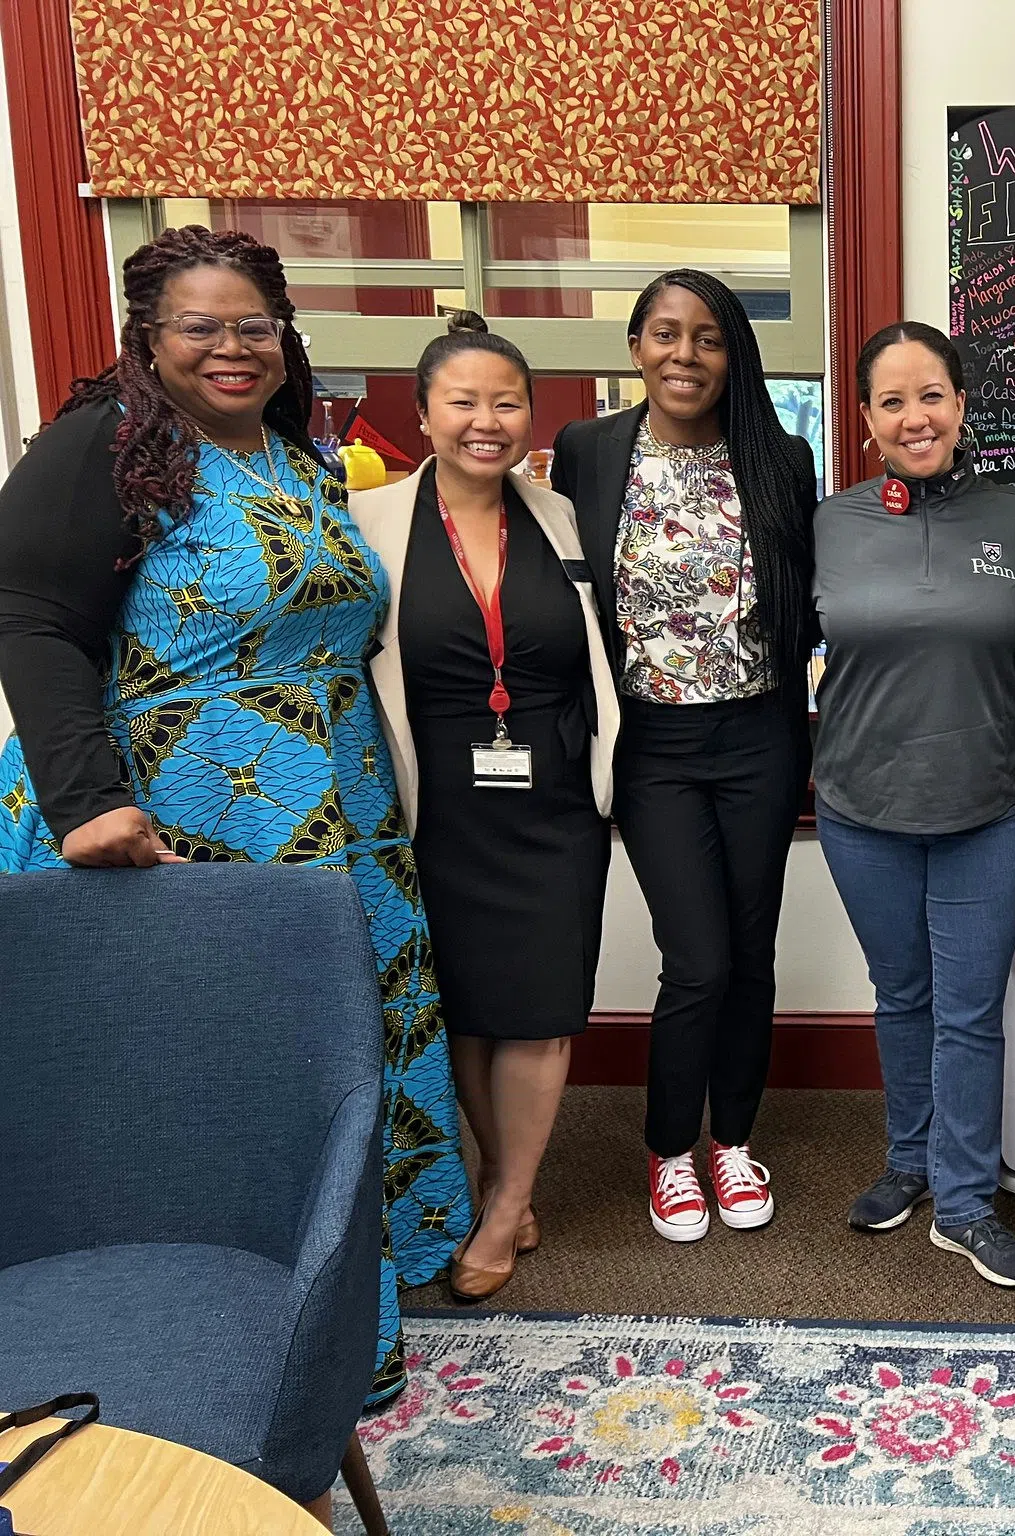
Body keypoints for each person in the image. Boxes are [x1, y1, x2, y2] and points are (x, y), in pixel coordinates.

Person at [0, 226, 469, 1405]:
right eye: (198, 326)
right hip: (170, 822)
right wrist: (88, 803)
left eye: (252, 323)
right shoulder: (101, 446)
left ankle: (327, 1324)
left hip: (326, 817)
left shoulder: (298, 458)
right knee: (207, 1084)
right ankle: (196, 1350)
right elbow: (28, 619)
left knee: (323, 1064)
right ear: (147, 341)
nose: (230, 347)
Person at [351, 314, 617, 1302]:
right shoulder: (369, 525)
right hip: (436, 798)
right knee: (465, 1006)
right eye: (462, 401)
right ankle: (504, 1181)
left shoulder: (560, 516)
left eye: (506, 401)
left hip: (552, 798)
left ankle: (503, 1207)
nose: (486, 420)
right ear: (423, 415)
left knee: (541, 1011)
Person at [551, 269, 816, 1244]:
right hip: (650, 741)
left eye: (706, 338)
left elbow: (806, 605)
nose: (684, 355)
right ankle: (669, 1149)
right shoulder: (586, 451)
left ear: (731, 354)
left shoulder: (780, 459)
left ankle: (732, 1141)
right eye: (664, 334)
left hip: (758, 733)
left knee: (752, 956)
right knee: (697, 957)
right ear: (634, 348)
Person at [813, 322, 1015, 1288]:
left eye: (932, 395)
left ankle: (964, 1202)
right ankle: (908, 1161)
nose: (916, 416)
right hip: (859, 803)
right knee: (900, 995)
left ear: (960, 404)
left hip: (983, 805)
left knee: (970, 1011)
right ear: (867, 418)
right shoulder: (831, 522)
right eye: (893, 400)